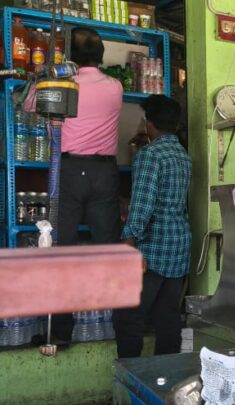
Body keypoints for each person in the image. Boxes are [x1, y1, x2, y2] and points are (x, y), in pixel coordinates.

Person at [54, 28, 123, 342]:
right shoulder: (115, 87)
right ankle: (119, 328)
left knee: (63, 250)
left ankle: (61, 332)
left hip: (70, 170)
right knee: (109, 247)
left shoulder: (64, 85)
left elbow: (29, 103)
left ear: (71, 56)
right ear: (101, 56)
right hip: (104, 172)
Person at [113, 95, 192, 360]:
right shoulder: (183, 155)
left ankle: (130, 377)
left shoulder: (150, 155)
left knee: (128, 317)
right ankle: (165, 376)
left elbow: (142, 204)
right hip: (178, 244)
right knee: (167, 316)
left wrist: (129, 242)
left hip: (153, 248)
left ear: (150, 124)